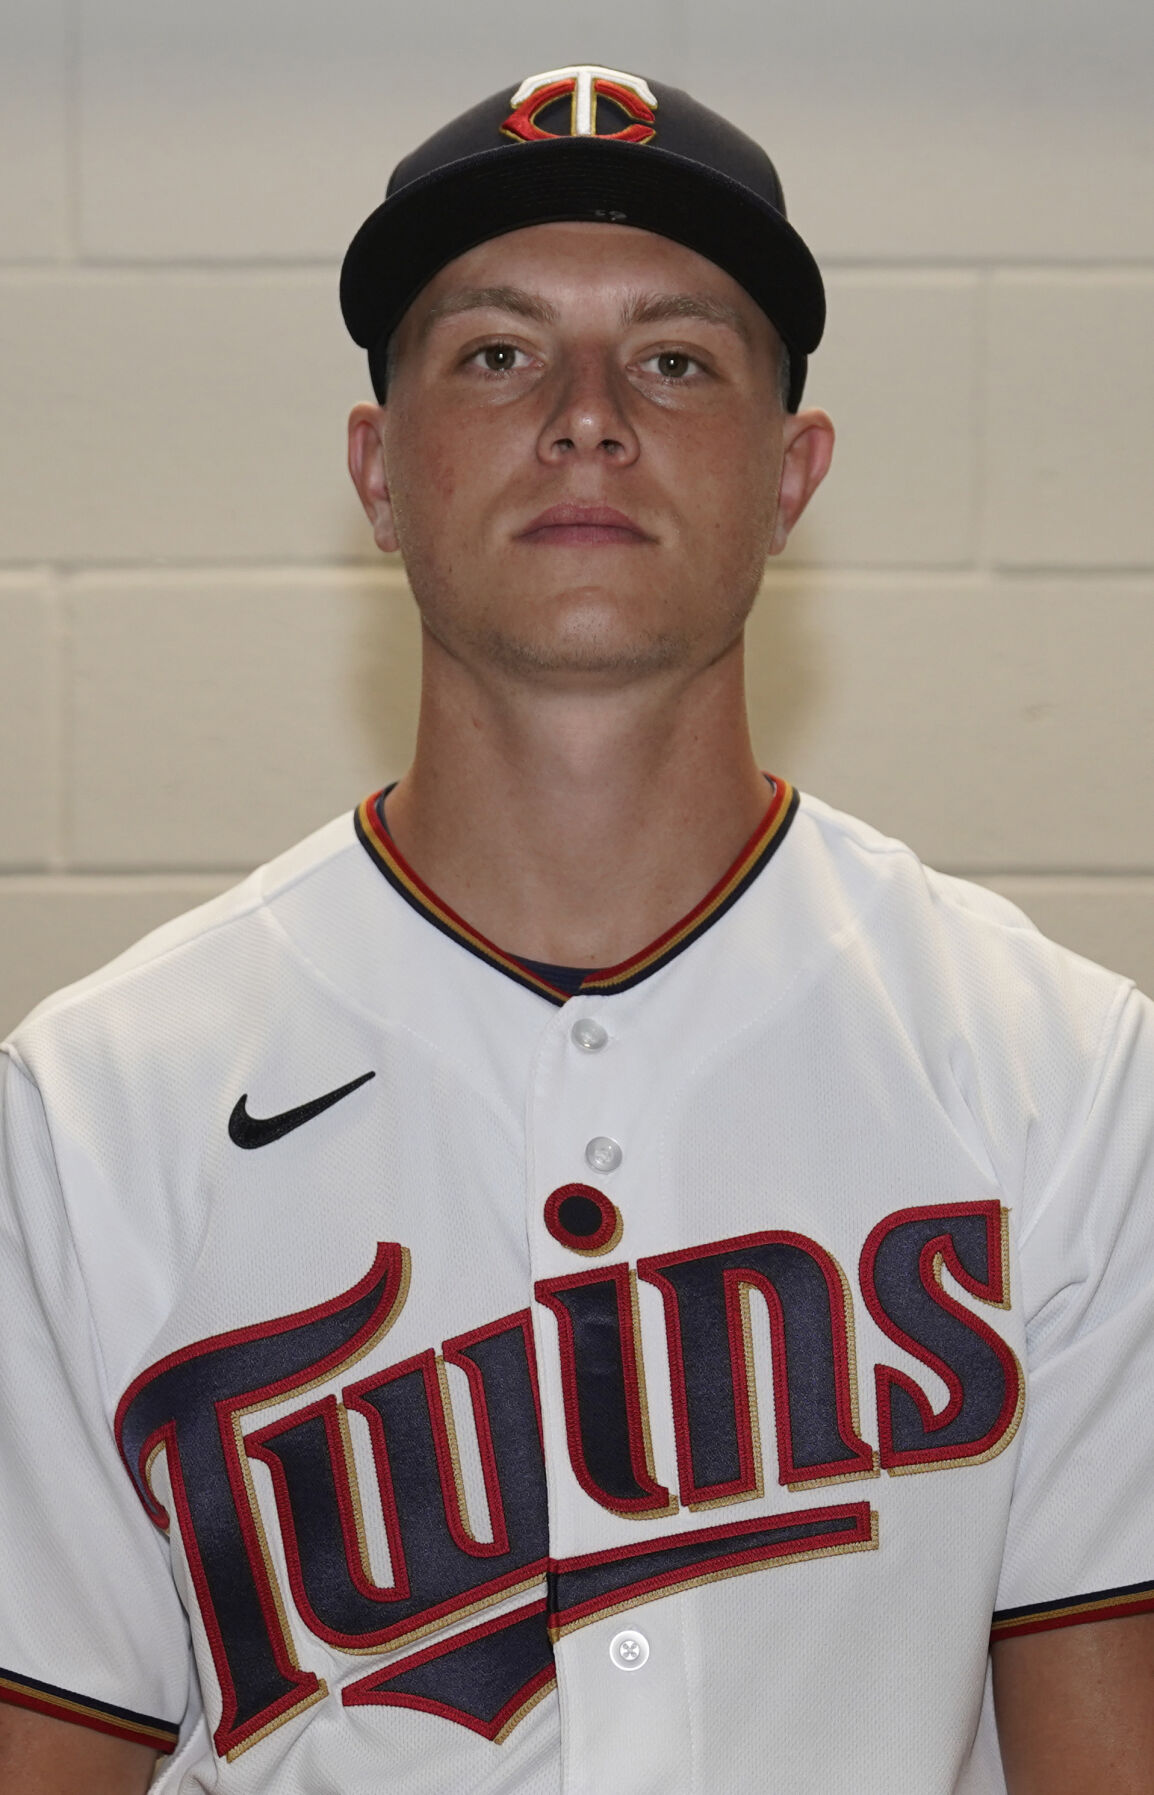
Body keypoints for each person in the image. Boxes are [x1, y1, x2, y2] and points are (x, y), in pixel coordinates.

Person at [1, 63, 1152, 1795]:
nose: (588, 415)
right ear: (377, 474)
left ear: (792, 473)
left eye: (676, 359)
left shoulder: (1065, 1073)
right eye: (497, 351)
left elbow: (1103, 1731)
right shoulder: (93, 1104)